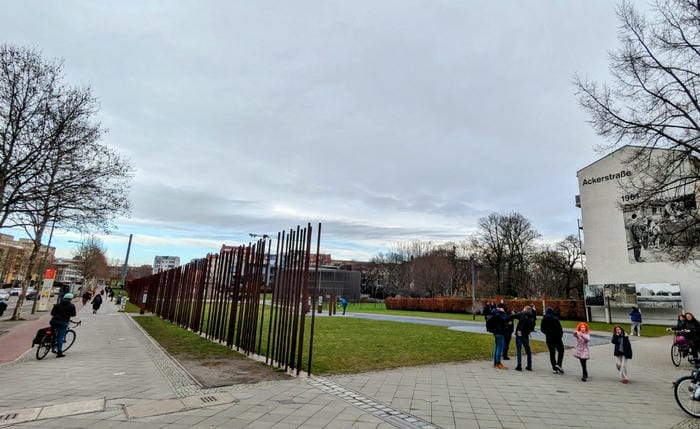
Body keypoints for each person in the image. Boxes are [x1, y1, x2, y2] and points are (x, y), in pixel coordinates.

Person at [50, 292, 77, 358]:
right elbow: (74, 314)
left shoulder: (57, 305)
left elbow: (52, 313)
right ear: (71, 299)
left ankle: (51, 346)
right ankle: (59, 352)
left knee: (52, 333)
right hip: (63, 322)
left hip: (53, 321)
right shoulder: (72, 306)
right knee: (60, 337)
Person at [540, 307, 565, 374]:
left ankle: (554, 367)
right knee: (561, 350)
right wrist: (560, 335)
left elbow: (542, 328)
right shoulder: (555, 318)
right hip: (557, 337)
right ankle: (558, 364)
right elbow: (559, 328)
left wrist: (547, 333)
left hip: (549, 338)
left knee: (552, 352)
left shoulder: (544, 319)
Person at [513, 305, 535, 371]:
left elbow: (513, 316)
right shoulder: (531, 317)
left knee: (519, 350)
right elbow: (532, 327)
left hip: (519, 333)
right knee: (528, 350)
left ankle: (519, 365)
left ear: (525, 309)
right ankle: (529, 365)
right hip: (526, 335)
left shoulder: (522, 314)